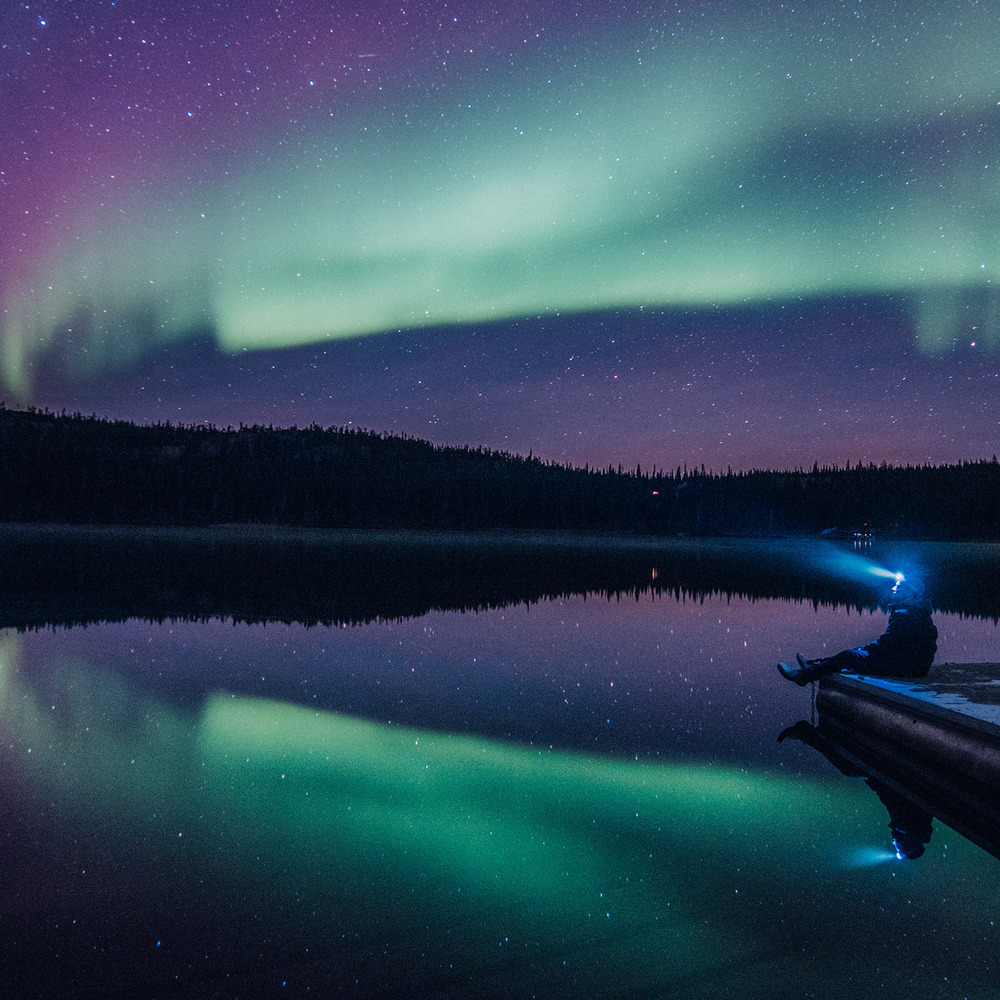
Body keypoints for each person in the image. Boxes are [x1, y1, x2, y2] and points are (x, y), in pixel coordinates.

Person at [777, 575, 937, 686]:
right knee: (853, 654)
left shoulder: (906, 614)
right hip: (913, 664)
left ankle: (802, 676)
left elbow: (886, 644)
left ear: (912, 594)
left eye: (899, 586)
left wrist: (862, 651)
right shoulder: (914, 611)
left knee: (849, 656)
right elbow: (895, 643)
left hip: (908, 668)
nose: (894, 588)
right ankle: (813, 665)